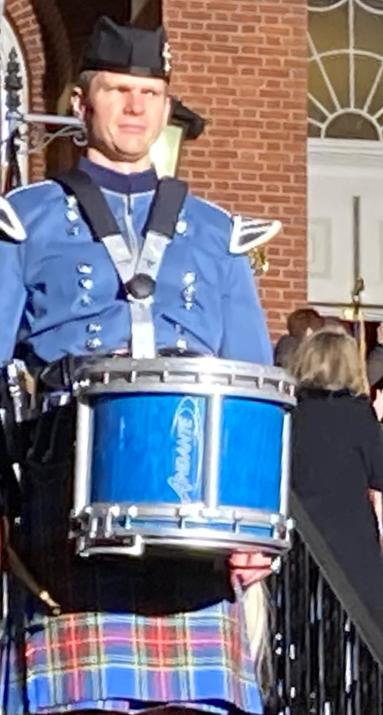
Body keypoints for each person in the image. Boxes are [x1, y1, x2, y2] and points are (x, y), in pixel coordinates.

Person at [0, 18, 278, 714]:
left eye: (149, 92)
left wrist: (257, 529)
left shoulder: (218, 235)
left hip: (194, 520)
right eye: (118, 89)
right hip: (62, 500)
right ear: (80, 103)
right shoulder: (24, 221)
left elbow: (254, 387)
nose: (134, 107)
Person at [289, 330, 383, 659]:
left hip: (304, 543)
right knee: (373, 641)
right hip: (353, 544)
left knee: (306, 640)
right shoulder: (357, 413)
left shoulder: (290, 413)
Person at [275, 309, 383, 386]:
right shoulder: (314, 364)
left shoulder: (288, 359)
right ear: (309, 333)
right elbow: (357, 381)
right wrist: (382, 349)